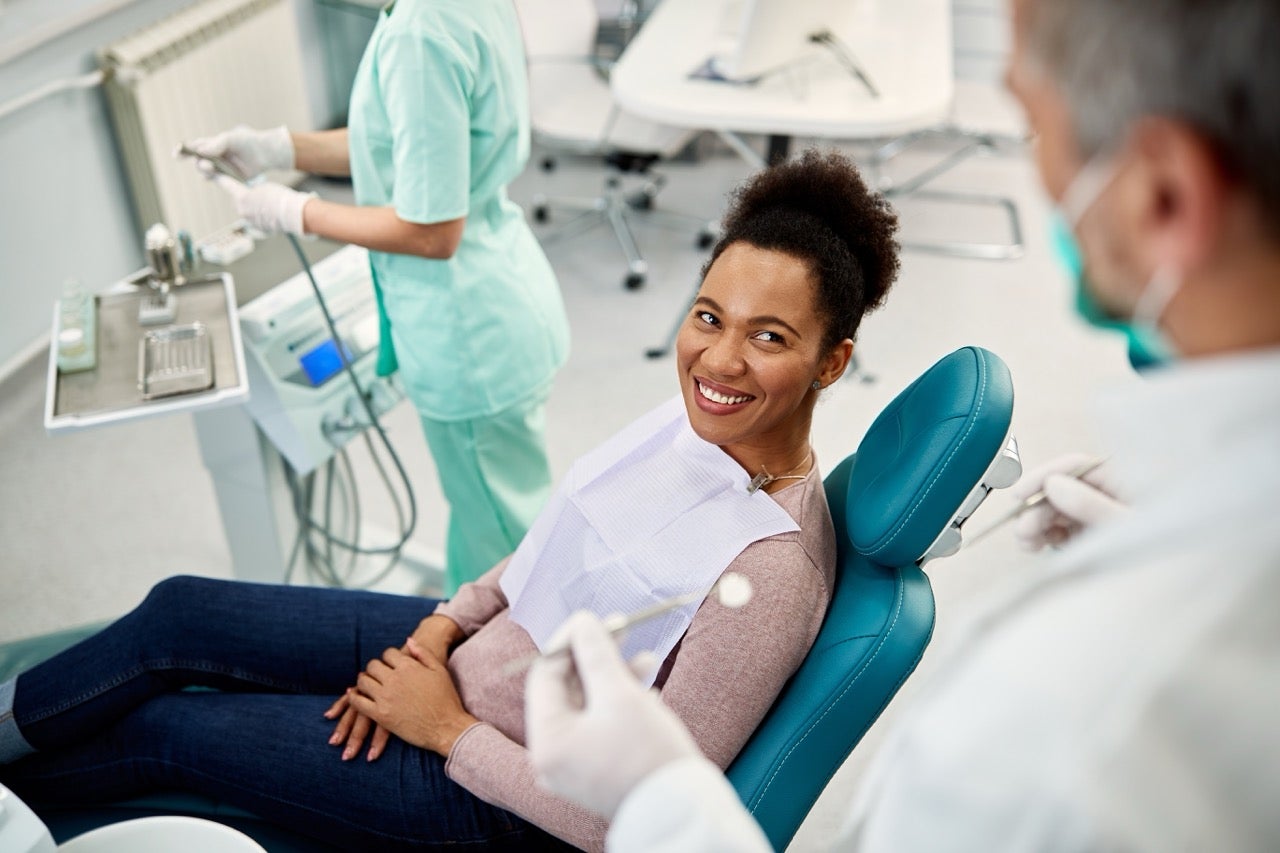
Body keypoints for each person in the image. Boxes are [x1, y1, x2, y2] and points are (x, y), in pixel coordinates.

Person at [523, 0, 1280, 849]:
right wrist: (1168, 522)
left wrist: (660, 802)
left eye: (1034, 130)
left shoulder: (1074, 726)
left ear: (1164, 196)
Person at [0, 150, 901, 852]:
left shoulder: (771, 576)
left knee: (171, 729)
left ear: (831, 361)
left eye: (769, 336)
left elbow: (631, 819)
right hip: (469, 653)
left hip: (487, 793)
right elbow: (556, 544)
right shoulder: (690, 426)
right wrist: (441, 625)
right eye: (709, 316)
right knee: (181, 611)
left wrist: (445, 727)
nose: (718, 360)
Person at [184, 0, 570, 594]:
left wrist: (294, 210)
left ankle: (502, 675)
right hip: (504, 295)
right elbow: (405, 140)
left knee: (507, 560)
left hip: (469, 332)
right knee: (492, 512)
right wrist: (280, 149)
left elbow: (432, 231)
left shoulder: (422, 28)